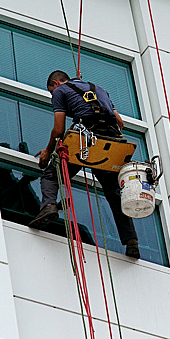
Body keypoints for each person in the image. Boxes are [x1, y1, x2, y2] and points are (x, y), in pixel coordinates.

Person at [28, 70, 140, 259]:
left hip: (86, 141)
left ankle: (48, 207)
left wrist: (48, 150)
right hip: (109, 142)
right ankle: (131, 241)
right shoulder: (100, 90)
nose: (52, 96)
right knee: (113, 192)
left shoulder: (60, 91)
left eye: (51, 91)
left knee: (51, 175)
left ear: (56, 83)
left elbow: (58, 129)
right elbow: (119, 122)